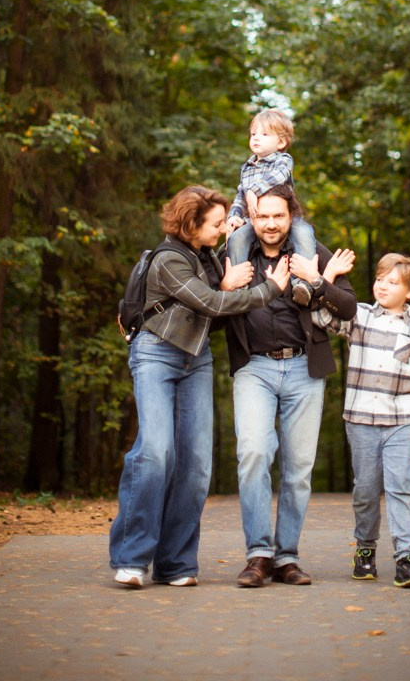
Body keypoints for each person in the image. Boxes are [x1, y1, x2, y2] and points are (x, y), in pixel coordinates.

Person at [109, 185, 290, 589]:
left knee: (195, 465)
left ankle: (174, 563)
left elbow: (215, 316)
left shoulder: (207, 258)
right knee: (156, 453)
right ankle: (132, 558)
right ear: (191, 225)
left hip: (196, 359)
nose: (225, 227)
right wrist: (269, 289)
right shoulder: (169, 259)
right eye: (216, 223)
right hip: (156, 354)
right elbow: (211, 305)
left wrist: (227, 287)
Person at [222, 183, 357, 587]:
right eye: (262, 216)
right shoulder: (235, 255)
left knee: (298, 469)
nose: (270, 224)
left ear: (291, 216)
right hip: (254, 369)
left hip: (303, 370)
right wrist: (225, 287)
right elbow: (205, 304)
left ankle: (287, 558)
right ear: (252, 217)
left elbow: (349, 306)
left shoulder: (310, 250)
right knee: (253, 454)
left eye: (278, 216)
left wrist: (317, 280)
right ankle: (258, 555)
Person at [316, 252, 410, 589]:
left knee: (402, 487)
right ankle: (365, 550)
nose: (383, 286)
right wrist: (327, 280)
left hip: (401, 420)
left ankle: (406, 559)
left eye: (392, 282)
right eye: (380, 279)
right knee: (365, 490)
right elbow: (322, 319)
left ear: (409, 291)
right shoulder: (359, 315)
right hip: (361, 418)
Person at [226, 109, 318, 305]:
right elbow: (240, 196)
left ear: (281, 142)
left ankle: (302, 283)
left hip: (285, 218)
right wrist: (234, 215)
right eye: (253, 134)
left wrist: (254, 191)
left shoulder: (283, 160)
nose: (256, 138)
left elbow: (277, 177)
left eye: (265, 134)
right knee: (237, 238)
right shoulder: (247, 167)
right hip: (255, 219)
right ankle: (239, 281)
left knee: (305, 233)